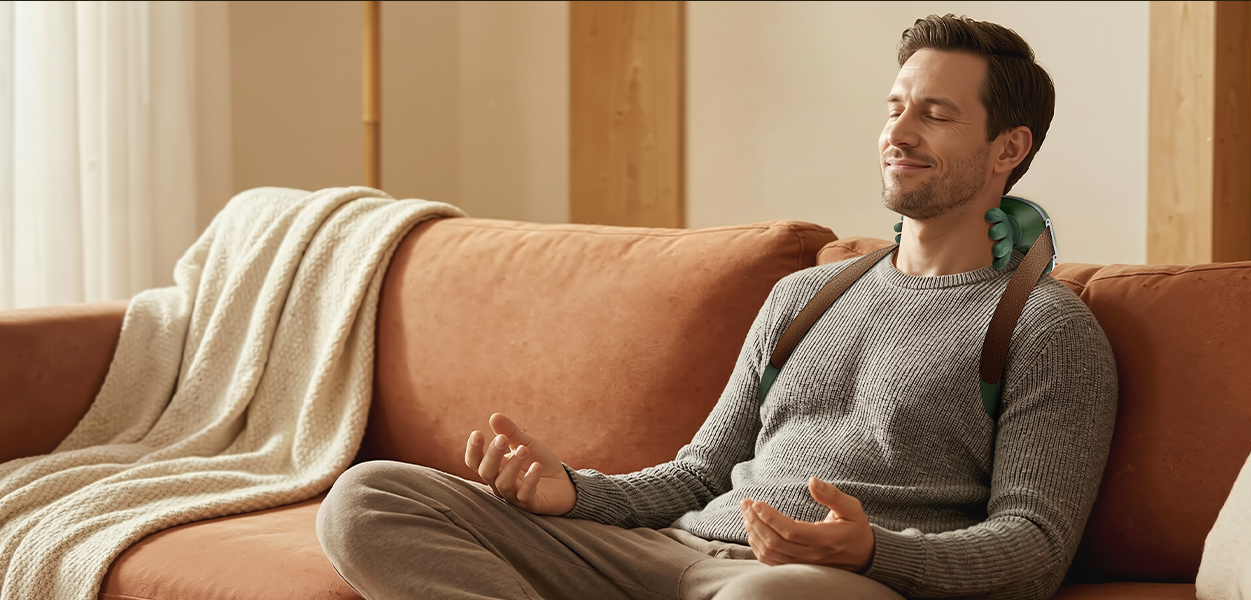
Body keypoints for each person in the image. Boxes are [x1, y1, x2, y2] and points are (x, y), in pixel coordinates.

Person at [317, 14, 1117, 600]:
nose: (897, 132)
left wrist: (872, 552)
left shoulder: (1045, 328)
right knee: (370, 497)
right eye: (895, 106)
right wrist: (574, 493)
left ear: (1007, 149)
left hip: (814, 584)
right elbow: (700, 472)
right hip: (673, 553)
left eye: (935, 114)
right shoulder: (806, 295)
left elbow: (1034, 548)